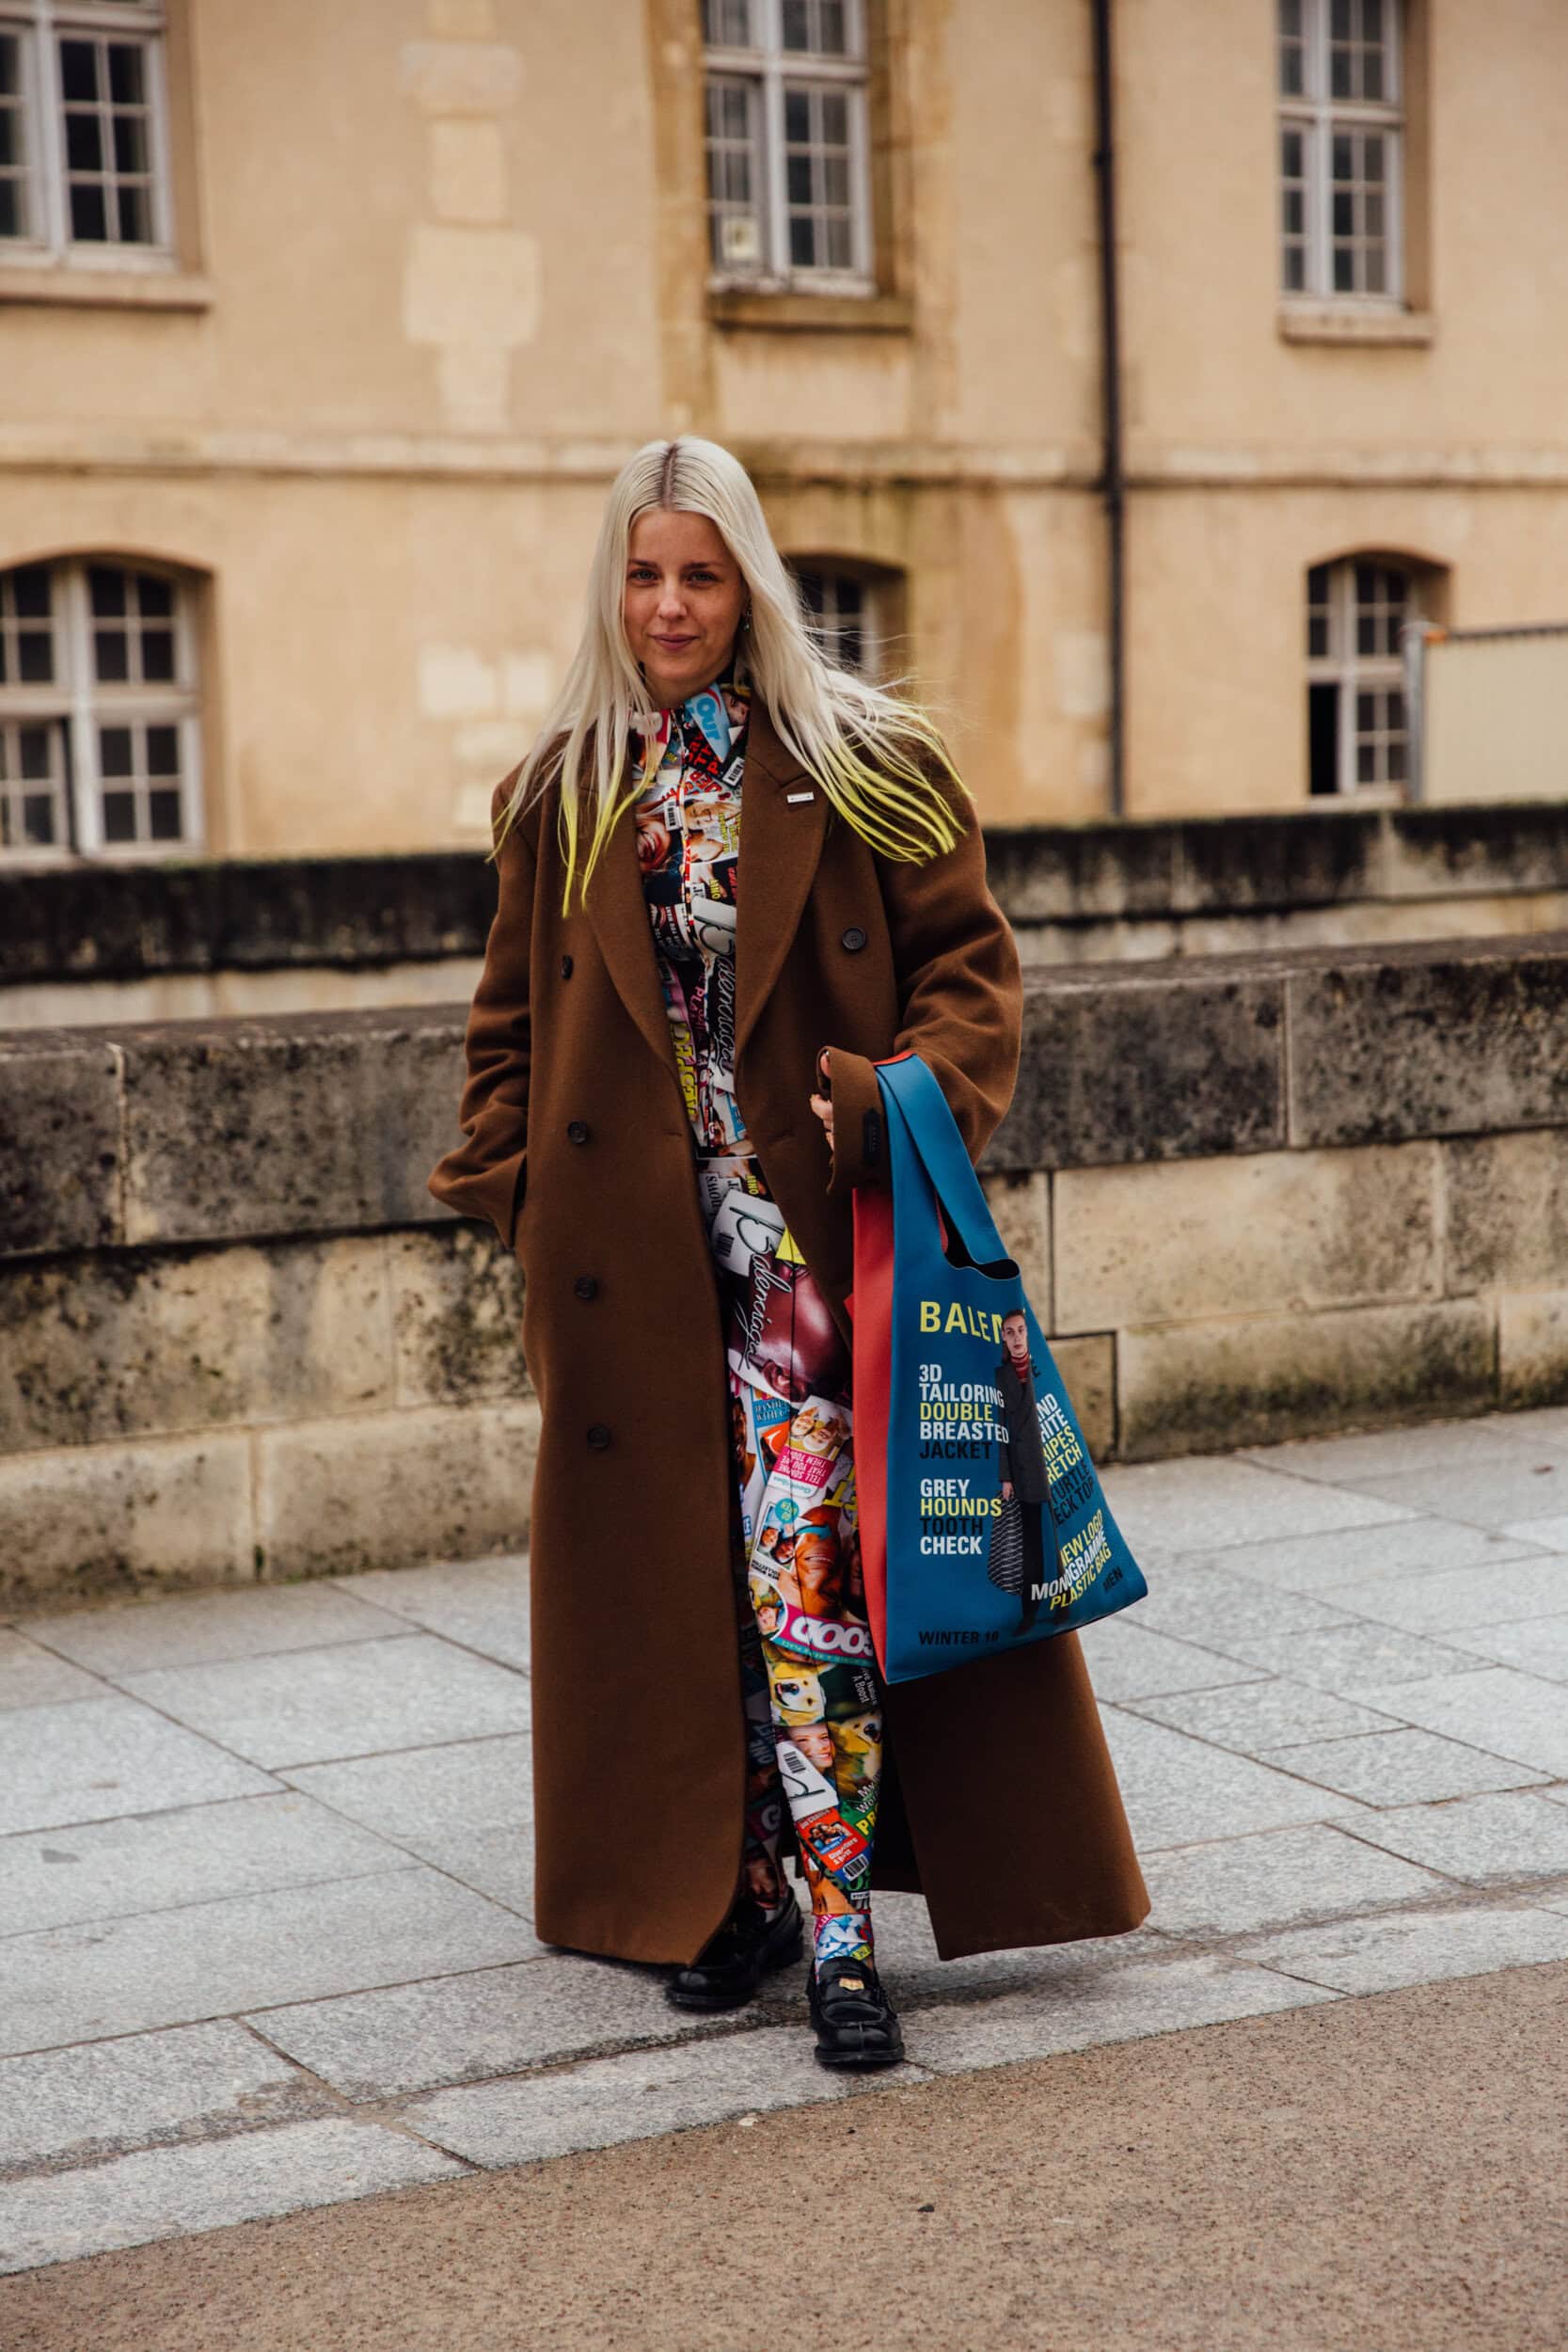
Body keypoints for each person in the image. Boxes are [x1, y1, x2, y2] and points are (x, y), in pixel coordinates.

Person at [427, 434, 1149, 2074]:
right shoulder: (561, 790)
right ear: (610, 587)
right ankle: (736, 1896)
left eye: (700, 573)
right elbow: (504, 1029)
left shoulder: (867, 761)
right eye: (642, 573)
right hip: (634, 1281)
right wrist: (519, 1193)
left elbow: (971, 983)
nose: (669, 604)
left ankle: (838, 1943)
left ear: (748, 583)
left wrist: (891, 1104)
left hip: (814, 1277)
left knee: (806, 1593)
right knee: (694, 1598)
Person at [989, 1308, 1055, 1635]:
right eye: (1010, 1332)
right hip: (1024, 1468)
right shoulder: (1001, 1376)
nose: (1016, 1338)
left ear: (1029, 1333)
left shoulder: (1043, 1368)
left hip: (1051, 1462)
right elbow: (1000, 1428)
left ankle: (1064, 1603)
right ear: (1003, 1337)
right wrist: (1006, 1476)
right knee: (1030, 1546)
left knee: (1060, 1537)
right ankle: (1030, 1611)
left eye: (1021, 1330)